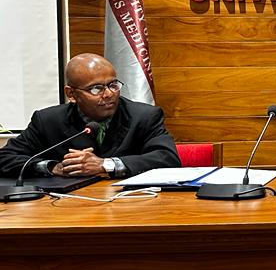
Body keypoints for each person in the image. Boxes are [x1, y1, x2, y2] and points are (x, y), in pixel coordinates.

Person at [0, 53, 180, 179]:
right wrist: (52, 167)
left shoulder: (144, 116)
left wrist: (106, 164)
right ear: (71, 94)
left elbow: (167, 158)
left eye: (113, 85)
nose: (109, 94)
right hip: (67, 208)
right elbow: (5, 158)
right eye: (96, 89)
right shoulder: (48, 121)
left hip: (130, 205)